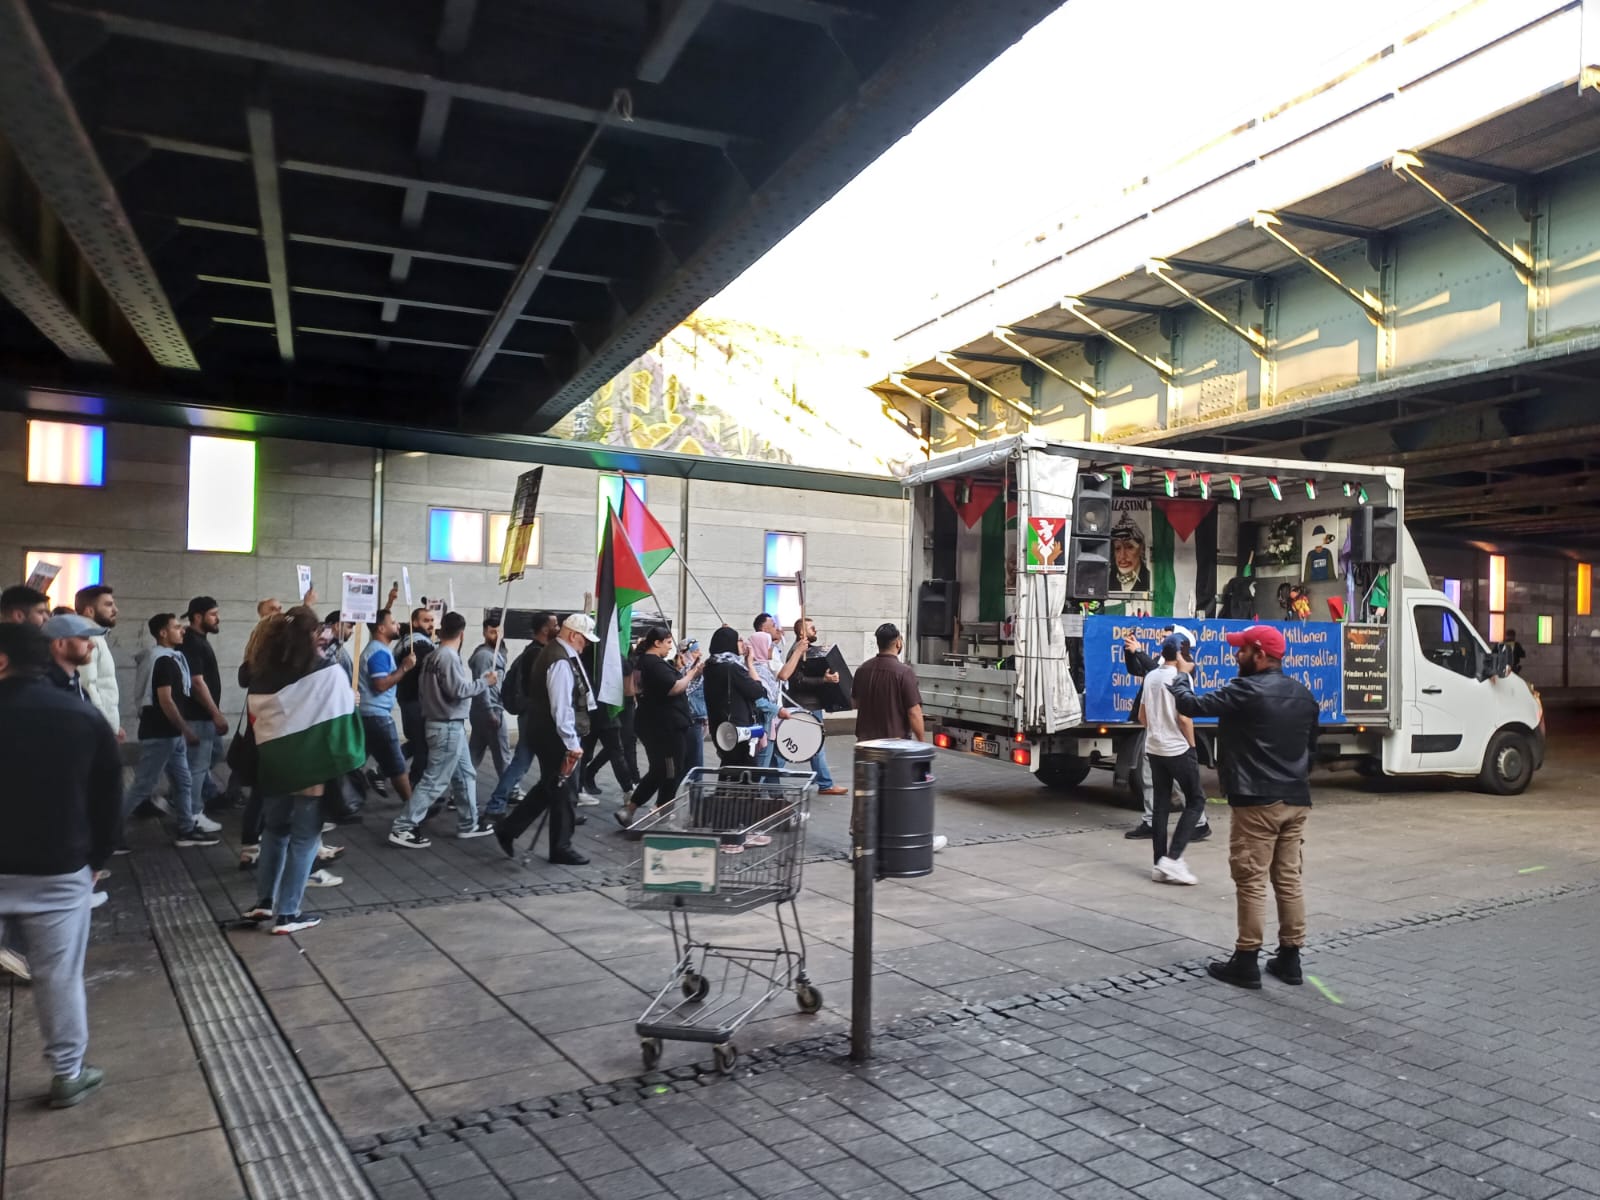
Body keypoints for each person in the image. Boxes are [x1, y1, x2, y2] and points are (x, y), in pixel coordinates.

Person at [0, 621, 122, 1107]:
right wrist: (97, 858)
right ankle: (68, 1074)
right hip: (59, 867)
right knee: (58, 975)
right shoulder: (81, 715)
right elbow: (108, 797)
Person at [1169, 625, 1320, 990]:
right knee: (1288, 878)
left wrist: (1181, 676)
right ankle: (1290, 959)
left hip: (1256, 801)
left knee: (1250, 879)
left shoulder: (1245, 690)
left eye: (1242, 650)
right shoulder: (1304, 695)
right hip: (1295, 799)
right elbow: (1310, 751)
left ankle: (1247, 959)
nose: (1236, 655)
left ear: (1261, 654)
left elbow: (1191, 705)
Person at [242, 608, 366, 934]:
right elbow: (341, 716)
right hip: (311, 769)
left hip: (275, 765)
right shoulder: (326, 670)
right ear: (311, 635)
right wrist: (351, 700)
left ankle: (264, 901)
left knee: (274, 831)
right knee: (305, 838)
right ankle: (288, 913)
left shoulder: (262, 672)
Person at [494, 614, 597, 865]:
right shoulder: (559, 660)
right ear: (573, 635)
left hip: (546, 731)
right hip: (554, 735)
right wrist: (571, 743)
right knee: (565, 790)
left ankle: (509, 828)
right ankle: (560, 847)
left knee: (551, 786)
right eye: (584, 639)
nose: (586, 644)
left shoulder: (557, 653)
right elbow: (561, 708)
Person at [389, 612, 496, 847]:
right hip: (446, 725)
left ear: (441, 630)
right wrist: (484, 682)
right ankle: (403, 827)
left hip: (444, 724)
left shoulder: (433, 656)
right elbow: (458, 690)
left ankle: (469, 822)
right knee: (434, 780)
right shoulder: (447, 656)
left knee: (465, 774)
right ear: (462, 634)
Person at [853, 622, 948, 853]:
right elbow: (914, 711)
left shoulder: (862, 670)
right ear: (898, 642)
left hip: (865, 744)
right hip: (895, 746)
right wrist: (921, 742)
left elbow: (856, 702)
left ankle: (859, 843)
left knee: (865, 794)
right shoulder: (904, 672)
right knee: (901, 793)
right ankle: (914, 839)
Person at [126, 614, 216, 847]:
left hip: (170, 734)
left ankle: (186, 829)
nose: (182, 630)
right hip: (160, 733)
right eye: (177, 627)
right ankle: (108, 833)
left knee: (184, 781)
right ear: (163, 633)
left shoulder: (169, 658)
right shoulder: (164, 661)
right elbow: (166, 700)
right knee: (143, 785)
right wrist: (185, 729)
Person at [1122, 630, 1210, 844]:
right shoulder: (1159, 667)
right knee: (1151, 781)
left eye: (1167, 637)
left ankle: (1198, 824)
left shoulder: (1184, 670)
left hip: (1172, 739)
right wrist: (1130, 653)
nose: (1163, 640)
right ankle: (1152, 822)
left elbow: (1183, 715)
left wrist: (1190, 744)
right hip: (1158, 737)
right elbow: (1139, 670)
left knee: (1180, 784)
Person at [616, 626, 704, 827]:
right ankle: (658, 811)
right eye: (668, 643)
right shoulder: (654, 664)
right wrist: (692, 673)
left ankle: (637, 809)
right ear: (657, 643)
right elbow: (674, 688)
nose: (670, 647)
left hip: (652, 723)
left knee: (662, 769)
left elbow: (636, 690)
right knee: (670, 770)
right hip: (665, 726)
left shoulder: (641, 663)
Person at [1140, 631, 1207, 886]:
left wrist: (1158, 729)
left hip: (1154, 746)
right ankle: (1173, 858)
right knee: (1196, 800)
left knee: (1161, 805)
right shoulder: (1181, 678)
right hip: (1177, 748)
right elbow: (1184, 717)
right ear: (1181, 654)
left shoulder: (1150, 676)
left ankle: (1159, 864)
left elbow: (1142, 717)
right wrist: (1192, 746)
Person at [490, 610, 559, 813]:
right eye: (555, 625)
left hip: (533, 714)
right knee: (523, 761)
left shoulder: (535, 651)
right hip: (534, 715)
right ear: (545, 629)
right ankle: (496, 804)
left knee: (536, 762)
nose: (558, 628)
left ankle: (558, 804)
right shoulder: (537, 654)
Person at [775, 617, 847, 795]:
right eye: (812, 628)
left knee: (809, 744)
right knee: (812, 744)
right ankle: (825, 783)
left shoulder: (805, 650)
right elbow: (797, 680)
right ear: (802, 632)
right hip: (805, 705)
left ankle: (824, 782)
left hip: (807, 704)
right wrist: (824, 679)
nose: (816, 630)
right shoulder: (798, 651)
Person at [358, 609, 417, 809]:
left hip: (369, 714)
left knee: (357, 762)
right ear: (381, 628)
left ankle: (344, 799)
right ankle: (412, 806)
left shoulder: (377, 649)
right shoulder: (379, 652)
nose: (398, 625)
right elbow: (381, 684)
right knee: (397, 764)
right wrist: (405, 668)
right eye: (393, 622)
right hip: (377, 716)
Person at [180, 597, 231, 822]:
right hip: (198, 715)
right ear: (198, 616)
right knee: (197, 765)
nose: (217, 618)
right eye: (213, 614)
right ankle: (193, 813)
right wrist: (215, 713)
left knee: (214, 754)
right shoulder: (192, 642)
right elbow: (197, 682)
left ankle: (194, 794)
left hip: (204, 715)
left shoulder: (198, 640)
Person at [703, 626, 767, 767]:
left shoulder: (710, 666)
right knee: (745, 770)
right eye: (739, 640)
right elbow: (757, 691)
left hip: (720, 726)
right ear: (729, 643)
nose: (743, 643)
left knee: (729, 767)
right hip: (739, 728)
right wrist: (750, 665)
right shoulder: (732, 668)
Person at [74, 585, 123, 741]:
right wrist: (106, 727)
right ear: (89, 611)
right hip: (96, 729)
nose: (115, 610)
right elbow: (88, 686)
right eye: (108, 605)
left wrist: (114, 725)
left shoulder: (96, 636)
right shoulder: (89, 638)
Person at [468, 614, 511, 788]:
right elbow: (483, 685)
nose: (497, 636)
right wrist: (490, 711)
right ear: (485, 633)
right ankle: (510, 789)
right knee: (502, 753)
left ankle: (461, 789)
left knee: (474, 753)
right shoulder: (485, 656)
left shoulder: (496, 653)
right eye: (493, 632)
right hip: (490, 710)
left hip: (484, 709)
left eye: (499, 632)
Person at [395, 606, 437, 785]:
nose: (431, 624)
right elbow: (431, 670)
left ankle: (380, 770)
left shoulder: (409, 640)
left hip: (408, 698)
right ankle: (415, 786)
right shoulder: (418, 644)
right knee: (422, 746)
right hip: (415, 699)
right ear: (415, 622)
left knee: (417, 742)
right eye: (426, 620)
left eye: (432, 620)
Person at [42, 613, 105, 701]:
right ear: (60, 644)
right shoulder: (46, 690)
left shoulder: (73, 684)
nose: (92, 645)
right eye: (84, 638)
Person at [748, 630, 785, 769]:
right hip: (763, 725)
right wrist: (777, 710)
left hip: (768, 723)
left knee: (771, 766)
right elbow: (760, 700)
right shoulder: (757, 670)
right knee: (761, 769)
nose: (771, 650)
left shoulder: (763, 667)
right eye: (768, 646)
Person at [1110, 519, 1151, 593]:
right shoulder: (1106, 580)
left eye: (1129, 547)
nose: (1122, 556)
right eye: (1117, 548)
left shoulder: (1151, 580)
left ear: (1141, 549)